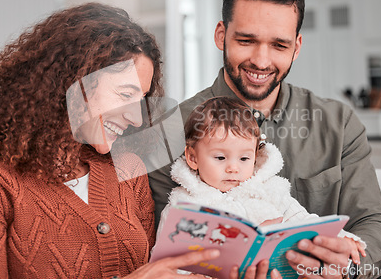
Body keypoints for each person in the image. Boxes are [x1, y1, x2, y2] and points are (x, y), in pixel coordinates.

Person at [0, 2, 258, 279]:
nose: (135, 118)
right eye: (125, 94)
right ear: (73, 82)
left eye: (142, 100)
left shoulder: (127, 170)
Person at [148, 0, 381, 278]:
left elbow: (376, 225)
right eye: (246, 40)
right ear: (220, 35)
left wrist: (348, 268)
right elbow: (154, 247)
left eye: (279, 45)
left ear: (297, 46)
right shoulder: (168, 132)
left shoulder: (339, 123)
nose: (262, 61)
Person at [156, 97, 366, 272]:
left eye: (244, 159)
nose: (233, 168)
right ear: (193, 158)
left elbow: (307, 223)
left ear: (255, 158)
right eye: (220, 158)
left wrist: (344, 240)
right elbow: (163, 267)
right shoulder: (181, 207)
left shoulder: (270, 190)